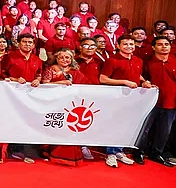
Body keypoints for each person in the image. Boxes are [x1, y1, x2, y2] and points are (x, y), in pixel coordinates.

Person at [99, 35, 152, 167]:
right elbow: (103, 79)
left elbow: (136, 73)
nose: (129, 46)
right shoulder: (112, 60)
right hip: (116, 98)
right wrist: (124, 82)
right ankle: (110, 153)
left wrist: (144, 81)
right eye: (125, 44)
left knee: (126, 125)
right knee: (113, 125)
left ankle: (119, 151)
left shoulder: (138, 60)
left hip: (132, 99)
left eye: (131, 44)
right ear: (118, 46)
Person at [40, 49, 89, 166]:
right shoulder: (51, 70)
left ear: (71, 59)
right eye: (61, 57)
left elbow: (85, 86)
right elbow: (44, 84)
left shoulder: (76, 72)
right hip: (54, 104)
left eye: (67, 57)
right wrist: (61, 83)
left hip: (71, 105)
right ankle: (50, 152)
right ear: (56, 58)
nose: (64, 60)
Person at [1, 33, 42, 164]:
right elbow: (2, 74)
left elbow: (39, 74)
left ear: (34, 45)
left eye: (30, 42)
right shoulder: (9, 57)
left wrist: (37, 80)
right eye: (24, 42)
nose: (27, 44)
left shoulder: (37, 59)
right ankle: (13, 149)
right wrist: (15, 79)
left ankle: (22, 149)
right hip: (12, 96)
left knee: (27, 121)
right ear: (18, 43)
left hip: (30, 97)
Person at [143, 37, 176, 167]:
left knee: (165, 130)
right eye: (160, 44)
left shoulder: (174, 62)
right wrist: (145, 82)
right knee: (146, 128)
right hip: (150, 101)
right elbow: (142, 77)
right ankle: (140, 151)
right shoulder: (147, 62)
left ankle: (157, 153)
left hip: (171, 102)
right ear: (153, 47)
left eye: (166, 44)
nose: (164, 47)